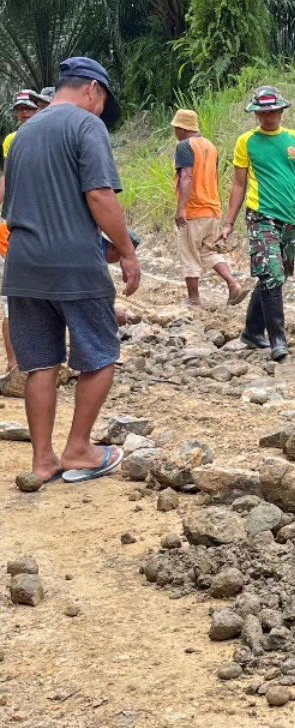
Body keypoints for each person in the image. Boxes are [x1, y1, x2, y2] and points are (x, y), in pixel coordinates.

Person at [0, 57, 141, 485]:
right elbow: (99, 195)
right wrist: (126, 251)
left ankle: (43, 461)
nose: (101, 112)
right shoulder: (85, 125)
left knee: (41, 363)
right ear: (92, 91)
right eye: (102, 103)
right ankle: (79, 448)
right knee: (101, 355)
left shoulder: (23, 135)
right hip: (75, 268)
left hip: (23, 267)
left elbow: (11, 205)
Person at [217, 85, 295, 361]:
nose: (268, 117)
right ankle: (277, 338)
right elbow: (239, 184)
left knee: (274, 276)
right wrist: (229, 222)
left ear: (281, 110)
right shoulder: (247, 142)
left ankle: (252, 331)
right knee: (272, 275)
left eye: (273, 111)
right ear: (256, 114)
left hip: (290, 217)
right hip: (261, 215)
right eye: (263, 112)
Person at [170, 108, 245, 309]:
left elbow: (187, 176)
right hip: (212, 209)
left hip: (194, 210)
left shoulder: (185, 146)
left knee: (189, 253)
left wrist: (181, 209)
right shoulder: (211, 146)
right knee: (208, 252)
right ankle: (233, 284)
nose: (175, 132)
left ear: (182, 128)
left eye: (176, 128)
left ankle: (193, 299)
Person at [1, 89, 45, 395]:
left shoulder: (50, 136)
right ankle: (14, 364)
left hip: (41, 223)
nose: (23, 113)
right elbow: (8, 181)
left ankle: (43, 359)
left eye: (28, 108)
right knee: (10, 298)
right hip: (15, 224)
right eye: (20, 109)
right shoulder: (12, 140)